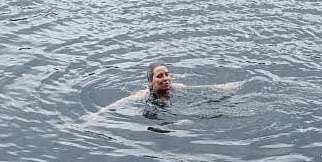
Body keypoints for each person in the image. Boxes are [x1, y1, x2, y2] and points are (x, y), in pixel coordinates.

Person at [84, 63, 238, 123]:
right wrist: (96, 115)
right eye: (160, 76)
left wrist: (223, 88)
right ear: (151, 82)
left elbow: (199, 89)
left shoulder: (176, 87)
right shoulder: (143, 95)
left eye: (167, 74)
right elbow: (119, 103)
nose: (166, 78)